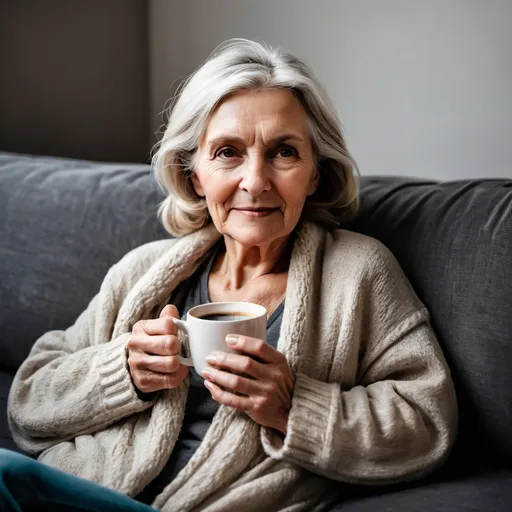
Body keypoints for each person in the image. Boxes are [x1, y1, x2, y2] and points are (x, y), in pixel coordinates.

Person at [3, 39, 457, 512]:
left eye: (283, 152)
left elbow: (427, 422)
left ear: (315, 174)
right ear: (195, 173)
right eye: (227, 152)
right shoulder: (144, 271)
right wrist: (123, 371)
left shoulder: (359, 273)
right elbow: (30, 399)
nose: (256, 181)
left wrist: (293, 406)